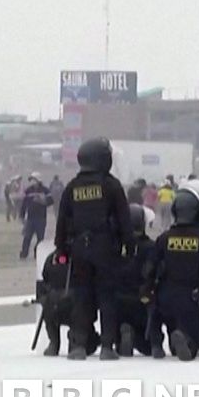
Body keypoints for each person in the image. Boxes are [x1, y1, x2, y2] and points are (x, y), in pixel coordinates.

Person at [54, 138, 134, 360]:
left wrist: (61, 249)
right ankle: (107, 346)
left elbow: (62, 222)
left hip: (79, 248)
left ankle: (79, 344)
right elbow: (124, 220)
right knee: (107, 296)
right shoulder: (111, 185)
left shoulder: (72, 187)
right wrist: (130, 246)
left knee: (82, 296)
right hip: (106, 248)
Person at [142, 190, 199, 360]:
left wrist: (148, 290)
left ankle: (157, 343)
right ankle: (185, 339)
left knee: (159, 312)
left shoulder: (164, 238)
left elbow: (149, 268)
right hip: (193, 298)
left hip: (165, 297)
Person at [35, 250, 101, 357]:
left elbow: (45, 280)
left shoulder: (52, 258)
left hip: (53, 306)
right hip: (77, 308)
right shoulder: (85, 257)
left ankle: (54, 343)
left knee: (50, 304)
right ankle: (78, 343)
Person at [115, 205, 155, 357]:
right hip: (142, 299)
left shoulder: (114, 245)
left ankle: (122, 333)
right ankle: (137, 336)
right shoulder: (150, 247)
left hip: (117, 299)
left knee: (119, 342)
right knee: (148, 348)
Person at [19, 172, 53, 259]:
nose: (31, 181)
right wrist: (22, 216)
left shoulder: (45, 190)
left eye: (33, 179)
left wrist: (42, 201)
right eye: (31, 180)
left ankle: (37, 254)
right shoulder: (28, 190)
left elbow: (51, 201)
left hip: (41, 218)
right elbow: (24, 204)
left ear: (38, 180)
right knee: (27, 237)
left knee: (40, 239)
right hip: (30, 218)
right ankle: (24, 254)